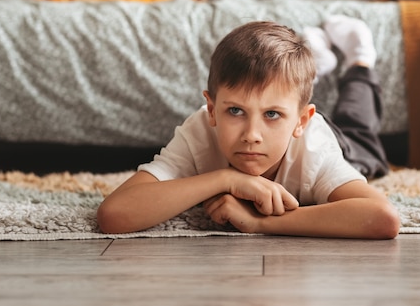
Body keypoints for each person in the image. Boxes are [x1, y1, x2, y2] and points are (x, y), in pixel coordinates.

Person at [97, 16, 400, 239]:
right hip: (289, 112)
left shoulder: (315, 151)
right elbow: (114, 215)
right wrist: (225, 178)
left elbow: (383, 218)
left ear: (301, 121)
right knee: (275, 93)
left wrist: (261, 224)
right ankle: (304, 76)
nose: (251, 135)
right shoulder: (199, 133)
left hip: (337, 142)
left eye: (271, 115)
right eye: (235, 111)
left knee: (359, 131)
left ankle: (360, 62)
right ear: (212, 110)